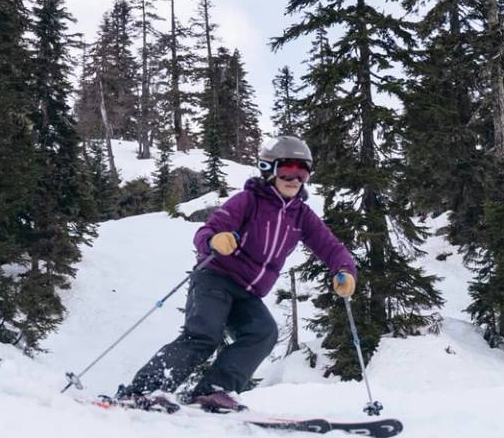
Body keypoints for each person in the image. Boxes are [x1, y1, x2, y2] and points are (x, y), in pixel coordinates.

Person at [118, 135, 358, 408]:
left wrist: (345, 271)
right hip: (215, 279)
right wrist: (215, 240)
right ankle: (146, 389)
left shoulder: (301, 216)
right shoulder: (249, 200)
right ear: (269, 169)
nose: (294, 178)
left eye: (302, 171)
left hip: (247, 293)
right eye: (287, 169)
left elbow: (331, 248)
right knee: (203, 335)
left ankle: (214, 391)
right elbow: (205, 232)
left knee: (263, 332)